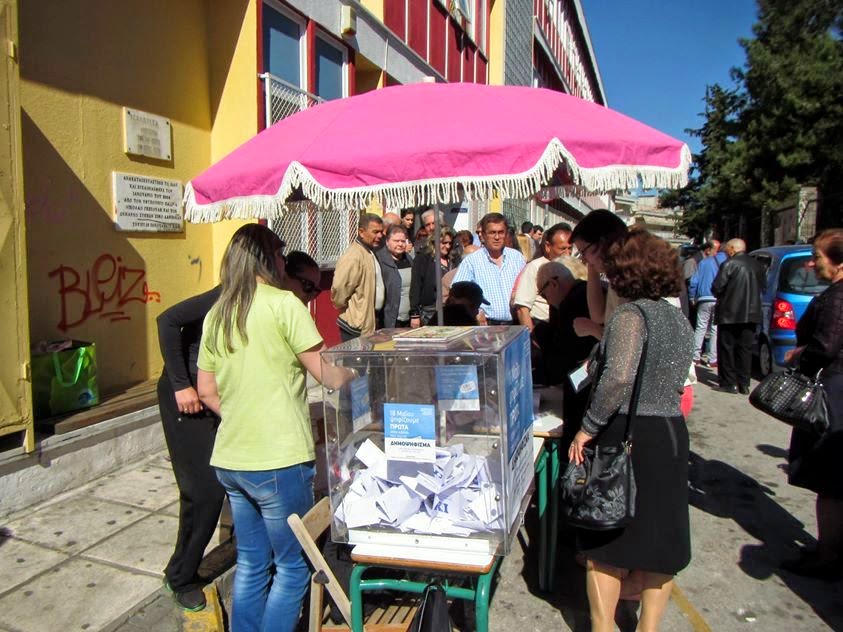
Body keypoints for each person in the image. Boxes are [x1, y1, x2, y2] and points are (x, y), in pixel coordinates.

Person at [196, 224, 327, 632]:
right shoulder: (284, 304)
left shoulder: (219, 312)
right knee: (292, 567)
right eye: (280, 255)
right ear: (269, 259)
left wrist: (242, 413)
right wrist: (368, 371)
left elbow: (206, 390)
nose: (283, 263)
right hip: (279, 459)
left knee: (252, 564)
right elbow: (327, 374)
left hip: (232, 458)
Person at [568, 230, 694, 632]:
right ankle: (648, 628)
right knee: (662, 541)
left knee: (607, 541)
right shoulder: (677, 318)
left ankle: (604, 628)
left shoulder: (630, 316)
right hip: (670, 433)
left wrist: (586, 430)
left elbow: (619, 377)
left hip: (629, 432)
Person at [156, 286, 226, 612]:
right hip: (187, 401)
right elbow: (167, 320)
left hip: (210, 398)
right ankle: (181, 577)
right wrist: (181, 384)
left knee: (203, 489)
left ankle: (181, 567)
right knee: (204, 491)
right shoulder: (222, 295)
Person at [781, 228, 843, 581]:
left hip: (834, 390)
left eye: (817, 256)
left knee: (830, 479)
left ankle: (828, 553)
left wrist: (799, 354)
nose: (812, 262)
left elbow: (826, 345)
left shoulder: (837, 297)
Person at [534, 258, 596, 452]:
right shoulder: (585, 292)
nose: (545, 299)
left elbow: (563, 354)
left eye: (544, 294)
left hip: (583, 388)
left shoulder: (572, 303)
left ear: (553, 283)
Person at [711, 238, 765, 394]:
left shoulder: (728, 264)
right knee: (745, 349)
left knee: (727, 348)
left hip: (730, 313)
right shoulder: (758, 265)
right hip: (752, 313)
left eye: (727, 249)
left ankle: (729, 382)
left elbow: (717, 287)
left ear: (733, 249)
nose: (726, 252)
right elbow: (763, 286)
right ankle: (744, 383)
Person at [453, 212, 525, 325]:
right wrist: (476, 312)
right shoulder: (471, 261)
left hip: (516, 323)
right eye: (492, 233)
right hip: (487, 325)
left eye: (501, 232)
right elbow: (458, 293)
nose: (497, 237)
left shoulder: (517, 257)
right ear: (484, 235)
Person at [569, 209, 629, 339]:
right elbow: (598, 316)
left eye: (583, 252)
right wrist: (592, 265)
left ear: (602, 244)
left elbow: (625, 342)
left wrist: (594, 330)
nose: (583, 260)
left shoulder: (629, 280)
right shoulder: (617, 277)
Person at [331, 213, 385, 341]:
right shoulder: (354, 256)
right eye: (375, 232)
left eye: (381, 232)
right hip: (356, 326)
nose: (380, 236)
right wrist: (353, 314)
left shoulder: (369, 251)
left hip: (369, 322)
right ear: (361, 232)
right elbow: (339, 288)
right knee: (355, 361)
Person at [512, 222, 573, 331]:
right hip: (543, 329)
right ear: (548, 246)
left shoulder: (574, 268)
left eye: (570, 248)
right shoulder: (535, 267)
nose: (567, 253)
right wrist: (532, 338)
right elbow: (522, 308)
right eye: (562, 249)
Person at [688, 241, 727, 368]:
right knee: (715, 328)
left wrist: (692, 296)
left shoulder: (704, 262)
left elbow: (694, 281)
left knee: (700, 327)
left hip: (704, 298)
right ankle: (712, 358)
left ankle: (695, 357)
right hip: (720, 299)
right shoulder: (728, 262)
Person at [409, 227, 456, 326]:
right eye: (444, 243)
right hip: (430, 312)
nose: (447, 246)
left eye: (450, 243)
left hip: (450, 310)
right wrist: (415, 314)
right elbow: (415, 286)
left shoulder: (453, 260)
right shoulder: (423, 259)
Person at [377, 224, 413, 327]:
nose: (400, 244)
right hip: (390, 319)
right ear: (387, 241)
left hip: (409, 319)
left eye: (403, 241)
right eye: (396, 241)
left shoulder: (409, 259)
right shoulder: (380, 261)